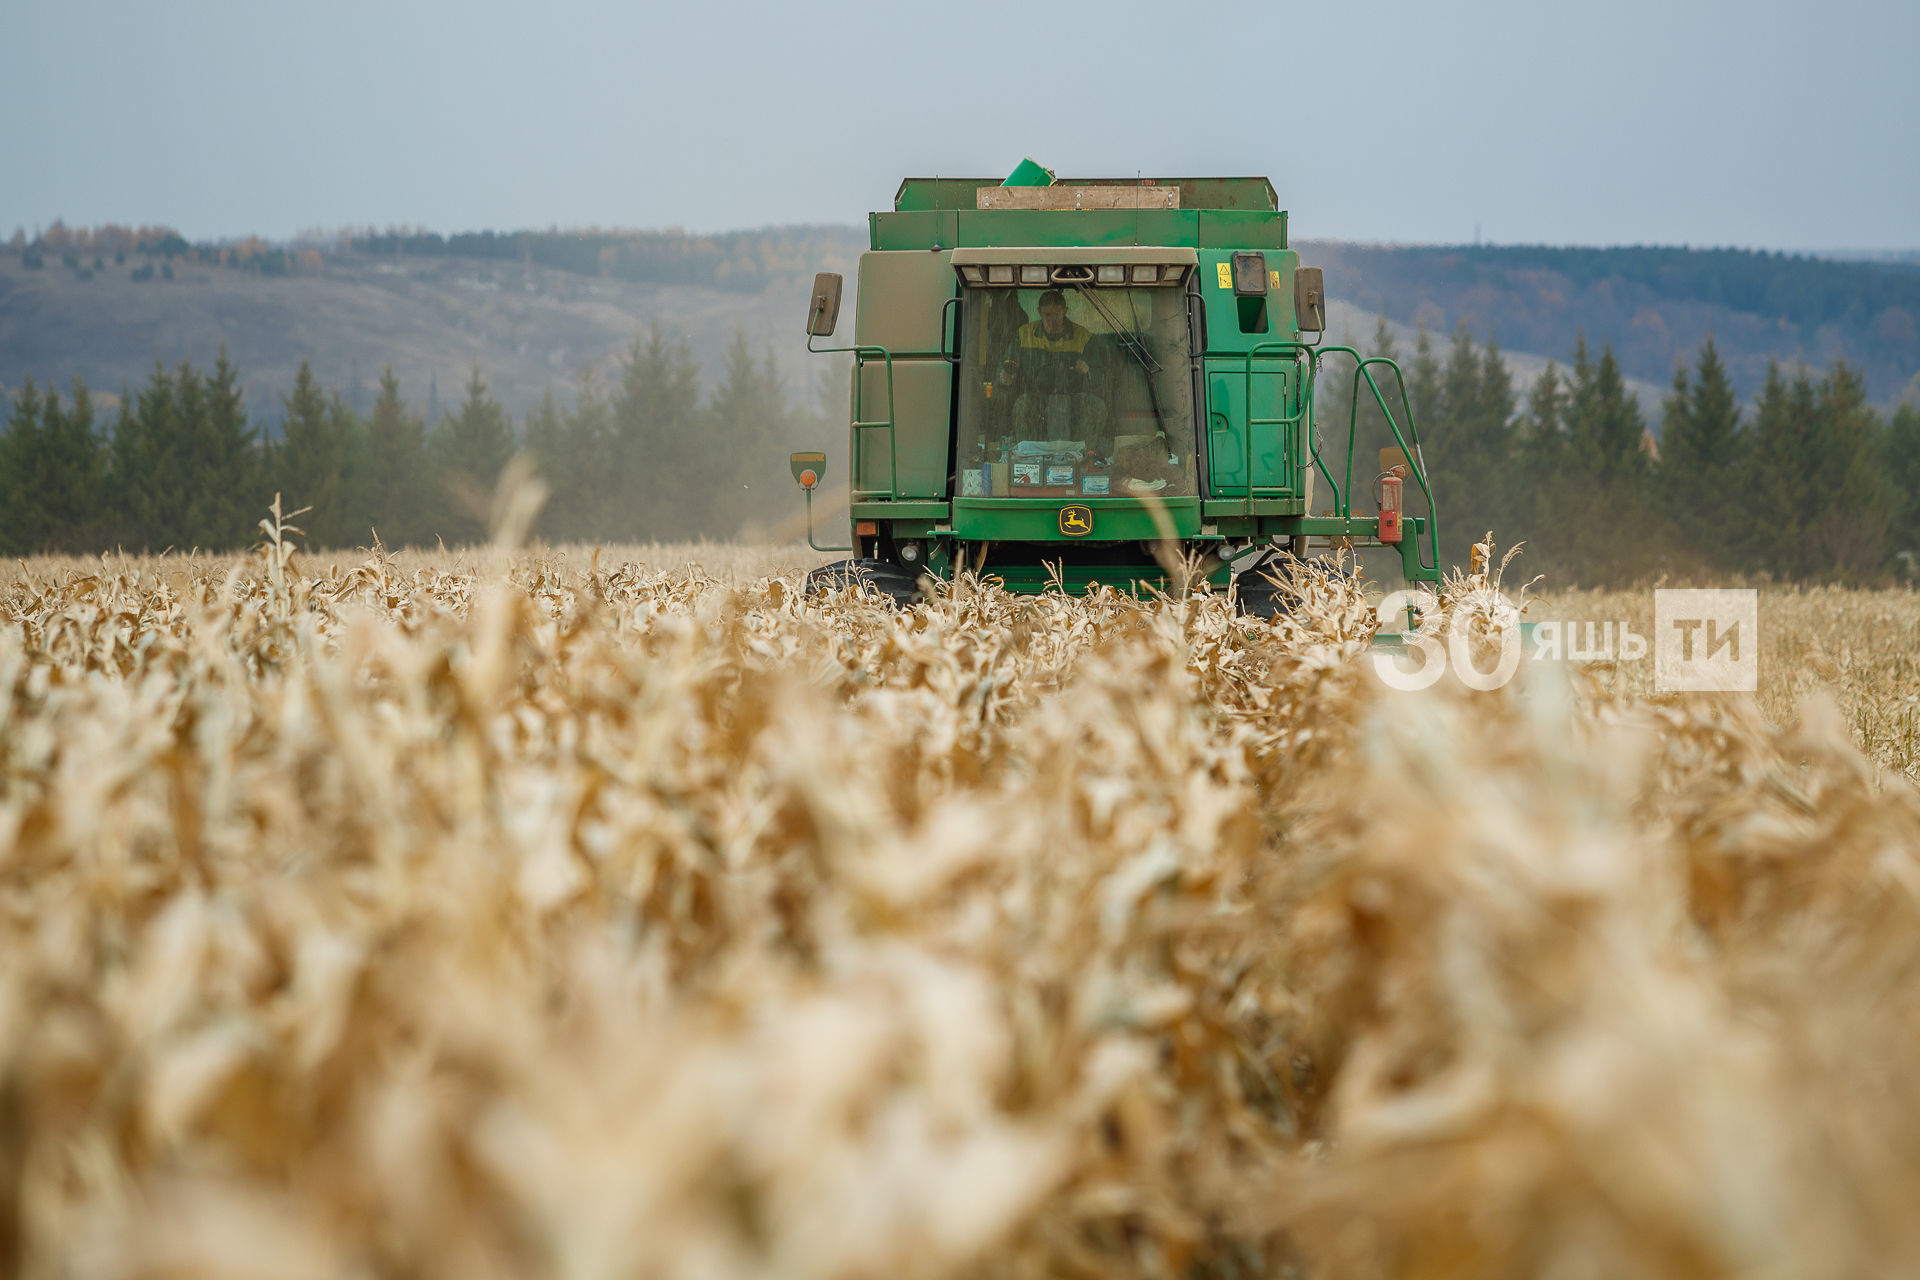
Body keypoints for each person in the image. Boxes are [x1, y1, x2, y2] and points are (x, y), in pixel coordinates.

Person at [998, 290, 1108, 446]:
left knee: (1097, 407)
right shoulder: (1024, 335)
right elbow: (1006, 366)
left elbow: (1099, 378)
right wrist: (1005, 378)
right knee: (1023, 405)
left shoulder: (1083, 337)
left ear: (1065, 312)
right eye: (1047, 315)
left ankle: (1082, 455)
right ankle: (1028, 457)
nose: (1051, 320)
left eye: (1056, 315)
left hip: (1074, 398)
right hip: (1037, 398)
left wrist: (1087, 370)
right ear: (1039, 312)